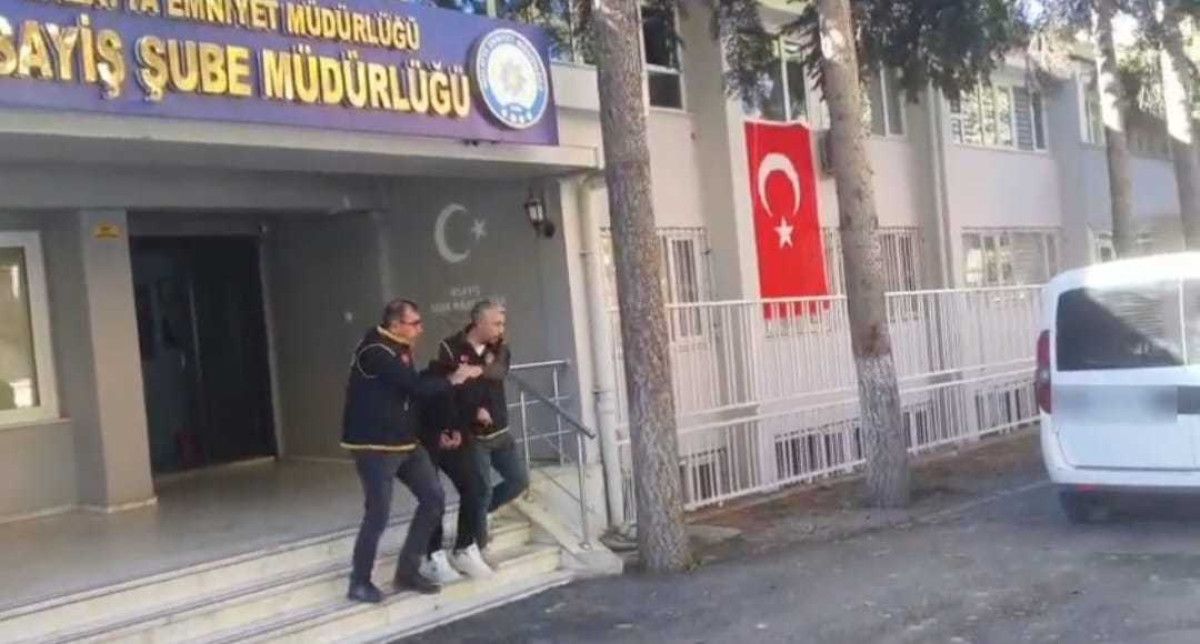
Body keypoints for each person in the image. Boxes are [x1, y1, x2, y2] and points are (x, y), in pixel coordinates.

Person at [341, 298, 480, 604]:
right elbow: (414, 387)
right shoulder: (375, 351)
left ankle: (408, 571)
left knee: (433, 498)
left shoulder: (398, 347)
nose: (420, 329)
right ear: (395, 325)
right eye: (414, 323)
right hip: (374, 445)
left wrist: (443, 426)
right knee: (378, 513)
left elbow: (411, 397)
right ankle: (359, 582)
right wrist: (454, 378)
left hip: (404, 441)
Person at [435, 300, 527, 553]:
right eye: (496, 324)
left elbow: (499, 371)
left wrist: (476, 370)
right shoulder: (450, 347)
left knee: (518, 480)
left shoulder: (500, 346)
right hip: (473, 434)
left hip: (500, 430)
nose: (501, 329)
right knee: (481, 489)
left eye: (502, 324)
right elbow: (452, 385)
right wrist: (474, 409)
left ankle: (482, 512)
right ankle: (477, 546)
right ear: (478, 322)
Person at [415, 361, 493, 581]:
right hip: (424, 440)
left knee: (475, 486)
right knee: (433, 495)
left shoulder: (473, 380)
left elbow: (464, 408)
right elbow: (416, 412)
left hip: (453, 438)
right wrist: (435, 434)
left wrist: (459, 428)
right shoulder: (429, 379)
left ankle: (464, 548)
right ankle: (432, 555)